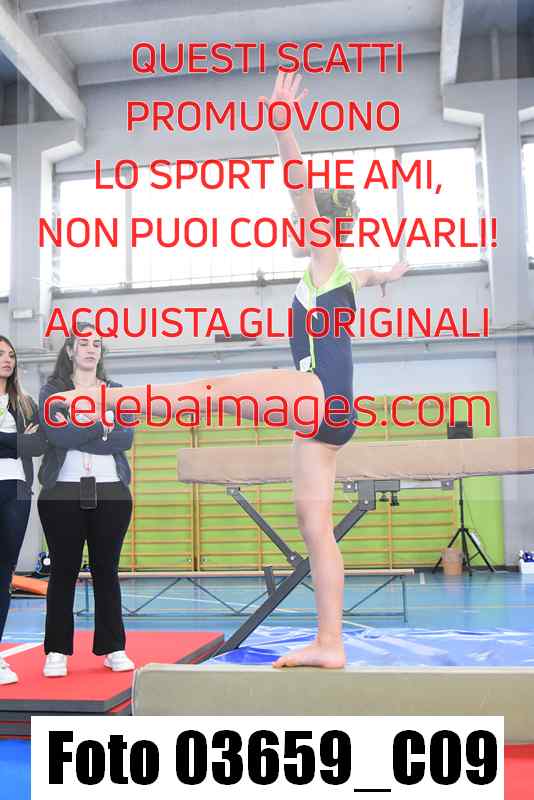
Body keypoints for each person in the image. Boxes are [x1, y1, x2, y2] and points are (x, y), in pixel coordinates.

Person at [52, 72, 409, 668]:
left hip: (317, 393)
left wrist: (283, 128)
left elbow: (301, 187)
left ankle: (107, 399)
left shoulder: (326, 260)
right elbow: (367, 273)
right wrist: (388, 275)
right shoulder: (343, 274)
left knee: (212, 389)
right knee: (316, 527)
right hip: (332, 419)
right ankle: (330, 642)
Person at [38, 322, 134, 677]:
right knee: (63, 571)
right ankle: (57, 650)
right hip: (62, 492)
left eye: (97, 343)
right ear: (70, 350)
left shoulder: (117, 391)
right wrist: (99, 427)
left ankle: (113, 647)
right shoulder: (53, 392)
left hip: (111, 491)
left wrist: (80, 431)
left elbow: (124, 439)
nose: (91, 348)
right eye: (84, 343)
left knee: (107, 571)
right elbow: (58, 437)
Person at [0, 335, 46, 685]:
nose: (8, 359)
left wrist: (16, 445)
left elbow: (38, 444)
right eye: (1, 354)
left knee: (3, 574)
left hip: (15, 489)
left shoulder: (26, 402)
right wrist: (17, 442)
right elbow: (24, 443)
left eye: (11, 355)